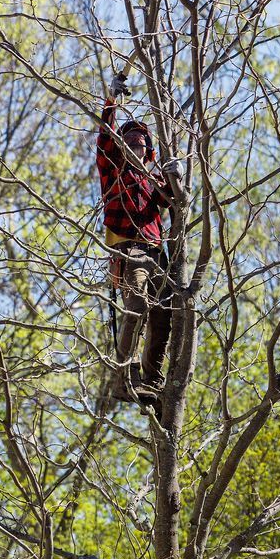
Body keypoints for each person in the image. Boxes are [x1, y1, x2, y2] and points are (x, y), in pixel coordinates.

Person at [96, 73, 179, 404]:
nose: (134, 149)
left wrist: (175, 178)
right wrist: (112, 101)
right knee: (137, 304)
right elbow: (104, 141)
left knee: (165, 311)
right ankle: (125, 377)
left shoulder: (153, 179)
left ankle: (152, 380)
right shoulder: (115, 170)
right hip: (128, 249)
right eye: (128, 143)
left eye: (140, 146)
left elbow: (175, 202)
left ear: (150, 154)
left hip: (156, 251)